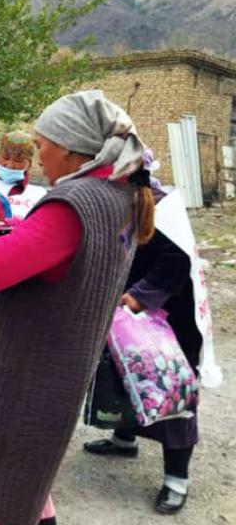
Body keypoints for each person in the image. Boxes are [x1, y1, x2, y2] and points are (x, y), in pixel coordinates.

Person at [0, 90, 155, 525]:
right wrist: (17, 231)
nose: (39, 153)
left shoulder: (75, 203)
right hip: (55, 373)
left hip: (20, 376)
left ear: (70, 147)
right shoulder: (117, 194)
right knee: (22, 484)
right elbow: (67, 256)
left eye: (42, 142)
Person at [83, 185, 202, 515]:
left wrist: (142, 294)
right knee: (122, 374)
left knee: (169, 388)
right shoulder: (110, 196)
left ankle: (177, 478)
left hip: (171, 317)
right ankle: (124, 439)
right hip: (126, 308)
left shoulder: (163, 205)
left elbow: (176, 257)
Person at [0, 130, 46, 220]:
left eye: (18, 161)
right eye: (5, 158)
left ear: (29, 164)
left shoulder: (39, 194)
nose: (10, 165)